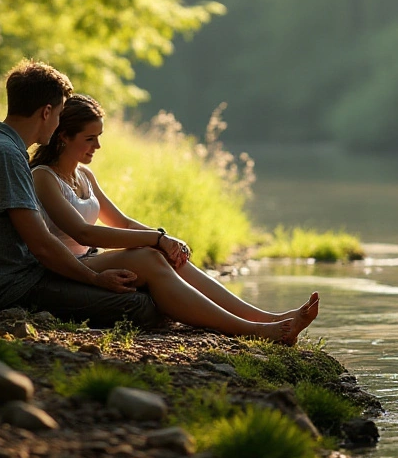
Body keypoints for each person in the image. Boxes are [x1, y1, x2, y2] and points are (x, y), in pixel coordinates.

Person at [30, 94, 319, 344]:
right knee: (150, 256)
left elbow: (123, 222)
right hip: (67, 267)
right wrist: (156, 239)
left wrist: (166, 242)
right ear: (64, 136)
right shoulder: (44, 176)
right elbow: (84, 234)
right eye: (90, 139)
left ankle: (270, 318)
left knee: (165, 256)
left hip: (90, 258)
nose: (98, 146)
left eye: (99, 138)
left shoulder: (85, 175)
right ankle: (254, 330)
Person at [0, 61, 163, 328]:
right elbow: (42, 246)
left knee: (143, 286)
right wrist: (95, 279)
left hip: (16, 278)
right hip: (13, 288)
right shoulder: (6, 155)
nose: (60, 122)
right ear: (46, 112)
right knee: (141, 305)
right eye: (61, 114)